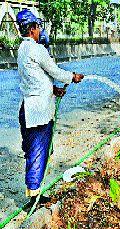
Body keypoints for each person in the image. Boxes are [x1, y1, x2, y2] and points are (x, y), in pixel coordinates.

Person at [16, 9, 84, 211]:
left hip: (29, 107)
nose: (39, 31)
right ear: (33, 28)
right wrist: (72, 77)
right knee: (38, 152)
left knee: (34, 151)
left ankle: (35, 194)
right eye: (37, 27)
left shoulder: (22, 49)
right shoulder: (37, 49)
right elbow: (54, 71)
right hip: (39, 112)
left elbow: (35, 79)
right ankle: (34, 200)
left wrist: (53, 89)